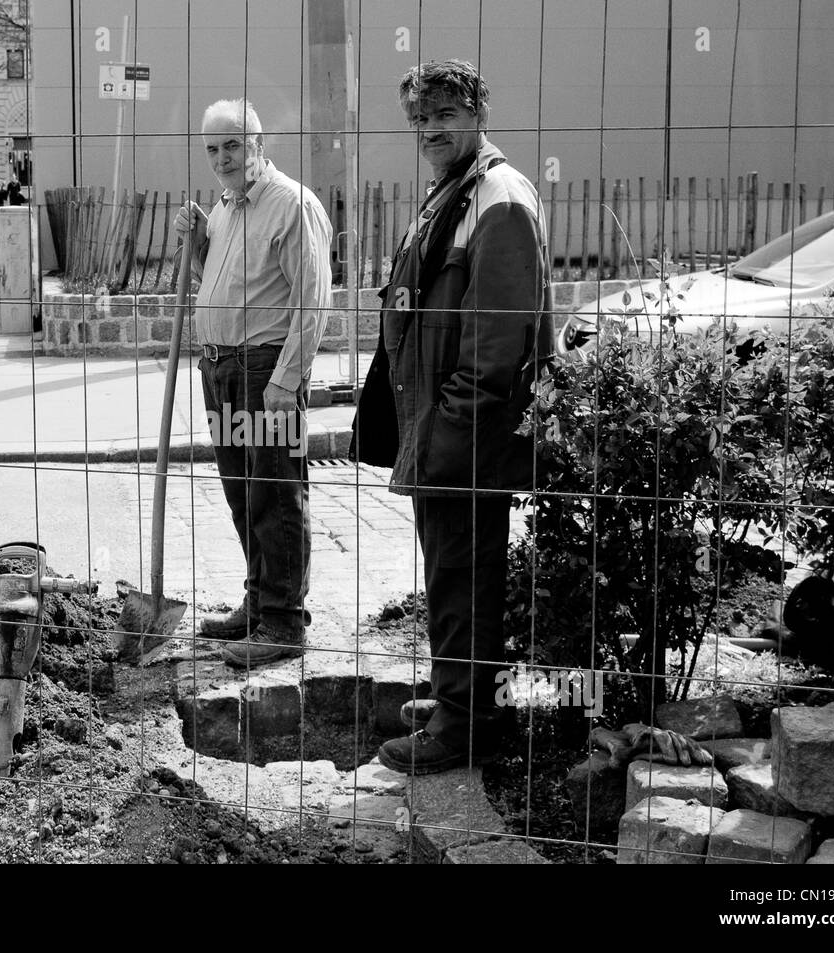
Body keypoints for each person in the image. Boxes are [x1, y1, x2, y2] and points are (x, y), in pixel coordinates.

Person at [351, 59, 554, 774]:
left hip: (467, 438)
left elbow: (497, 350)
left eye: (444, 113)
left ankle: (464, 724)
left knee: (465, 579)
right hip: (438, 431)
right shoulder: (455, 192)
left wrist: (446, 428)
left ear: (478, 112)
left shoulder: (497, 197)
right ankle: (456, 696)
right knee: (448, 577)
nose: (430, 129)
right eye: (420, 118)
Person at [173, 98, 332, 667]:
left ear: (258, 144)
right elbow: (220, 280)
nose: (222, 158)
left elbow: (313, 299)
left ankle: (285, 623)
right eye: (213, 149)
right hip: (220, 368)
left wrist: (288, 379)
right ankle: (259, 603)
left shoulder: (290, 204)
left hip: (264, 369)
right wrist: (196, 246)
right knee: (242, 490)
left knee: (274, 490)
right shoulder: (222, 209)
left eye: (233, 145)